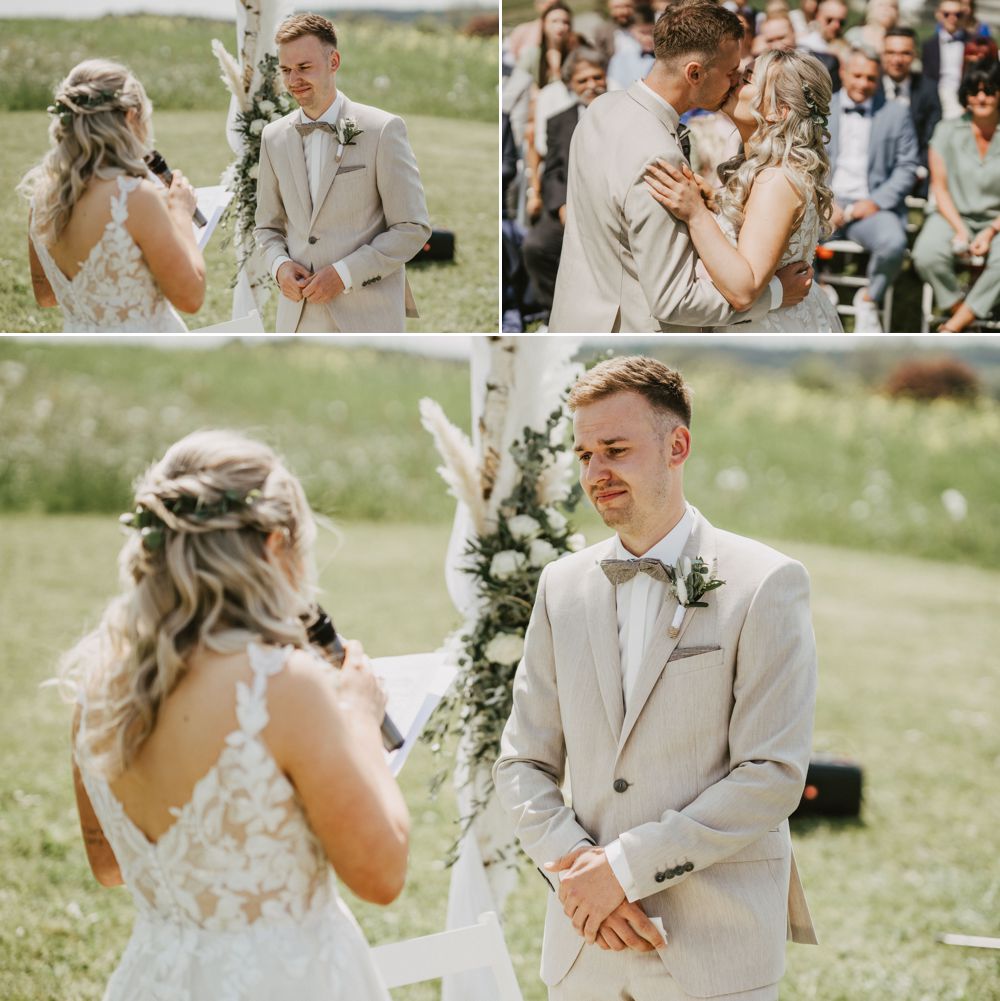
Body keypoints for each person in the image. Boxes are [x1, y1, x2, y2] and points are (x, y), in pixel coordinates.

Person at [494, 354, 818, 1001]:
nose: (595, 472)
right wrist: (581, 880)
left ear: (678, 445)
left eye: (614, 448)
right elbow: (521, 763)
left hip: (714, 952)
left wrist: (622, 868)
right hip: (587, 946)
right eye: (584, 454)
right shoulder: (562, 586)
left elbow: (770, 774)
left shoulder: (766, 583)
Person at [62, 430, 407, 999]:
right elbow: (383, 876)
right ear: (274, 547)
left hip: (158, 977)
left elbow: (110, 866)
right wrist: (360, 718)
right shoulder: (284, 687)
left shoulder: (101, 687)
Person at [548, 0, 813, 333]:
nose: (735, 83)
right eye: (731, 73)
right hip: (628, 332)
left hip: (576, 319)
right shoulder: (659, 157)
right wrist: (773, 295)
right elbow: (675, 300)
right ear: (695, 73)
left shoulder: (600, 109)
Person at [255, 13, 431, 333]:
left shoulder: (382, 129)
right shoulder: (273, 137)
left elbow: (412, 227)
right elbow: (266, 227)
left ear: (333, 61)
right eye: (285, 70)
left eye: (304, 67)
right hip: (296, 318)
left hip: (367, 314)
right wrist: (279, 267)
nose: (293, 79)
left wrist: (344, 274)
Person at [644, 49, 843, 331]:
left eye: (747, 79)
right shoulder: (767, 171)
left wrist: (696, 213)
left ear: (779, 110)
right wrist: (716, 205)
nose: (733, 80)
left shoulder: (776, 180)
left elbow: (743, 289)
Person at [19, 59, 205, 332]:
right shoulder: (136, 199)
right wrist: (180, 213)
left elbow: (46, 296)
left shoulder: (43, 198)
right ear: (130, 117)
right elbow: (191, 298)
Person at [825, 45, 919, 332]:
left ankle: (868, 299)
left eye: (870, 78)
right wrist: (823, 201)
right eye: (857, 75)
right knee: (785, 230)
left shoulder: (896, 113)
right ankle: (819, 288)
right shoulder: (821, 107)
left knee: (893, 242)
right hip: (824, 202)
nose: (863, 84)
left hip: (871, 206)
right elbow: (802, 157)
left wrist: (875, 202)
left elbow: (907, 166)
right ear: (843, 72)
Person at [913, 59, 1000, 331]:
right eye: (974, 91)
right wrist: (960, 230)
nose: (981, 97)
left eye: (989, 90)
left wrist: (989, 232)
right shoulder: (946, 130)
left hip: (995, 221)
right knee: (925, 254)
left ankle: (952, 327)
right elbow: (940, 187)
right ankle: (962, 313)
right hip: (952, 214)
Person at [523, 49, 608, 312]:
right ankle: (555, 311)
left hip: (610, 206)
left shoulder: (628, 113)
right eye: (583, 80)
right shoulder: (558, 121)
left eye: (597, 77)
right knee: (535, 247)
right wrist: (561, 206)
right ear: (571, 85)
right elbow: (553, 171)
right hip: (569, 206)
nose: (592, 85)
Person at [879, 27, 943, 195]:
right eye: (890, 52)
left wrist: (919, 168)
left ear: (914, 55)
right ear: (882, 54)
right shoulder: (869, 86)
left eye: (905, 53)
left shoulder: (928, 89)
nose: (897, 59)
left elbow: (932, 135)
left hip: (915, 172)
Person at [922, 0, 969, 120]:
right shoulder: (928, 45)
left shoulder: (973, 43)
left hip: (964, 101)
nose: (952, 18)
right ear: (938, 14)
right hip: (936, 100)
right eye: (947, 14)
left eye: (957, 14)